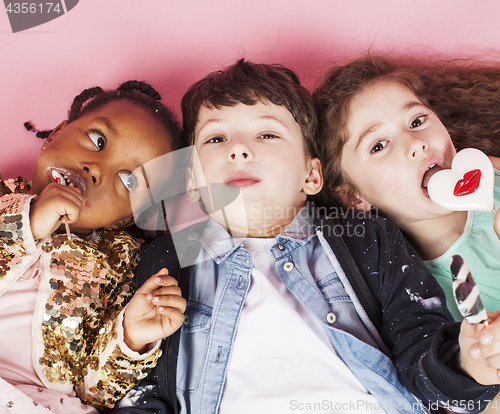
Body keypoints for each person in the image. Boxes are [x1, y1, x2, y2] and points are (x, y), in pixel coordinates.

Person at [114, 60, 500, 414]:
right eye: (216, 140)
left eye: (267, 134)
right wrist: (134, 340)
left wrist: (470, 364)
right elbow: (143, 394)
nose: (240, 151)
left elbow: (423, 353)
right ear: (194, 181)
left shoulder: (368, 240)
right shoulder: (168, 259)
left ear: (311, 176)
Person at [0, 81, 187, 414]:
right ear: (56, 133)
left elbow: (92, 389)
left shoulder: (118, 267)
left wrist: (130, 339)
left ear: (125, 218)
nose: (96, 169)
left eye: (129, 181)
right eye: (98, 140)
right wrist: (29, 221)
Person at [312, 55, 500, 325]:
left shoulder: (490, 172)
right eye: (379, 145)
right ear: (354, 197)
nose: (416, 143)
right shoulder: (419, 292)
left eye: (417, 121)